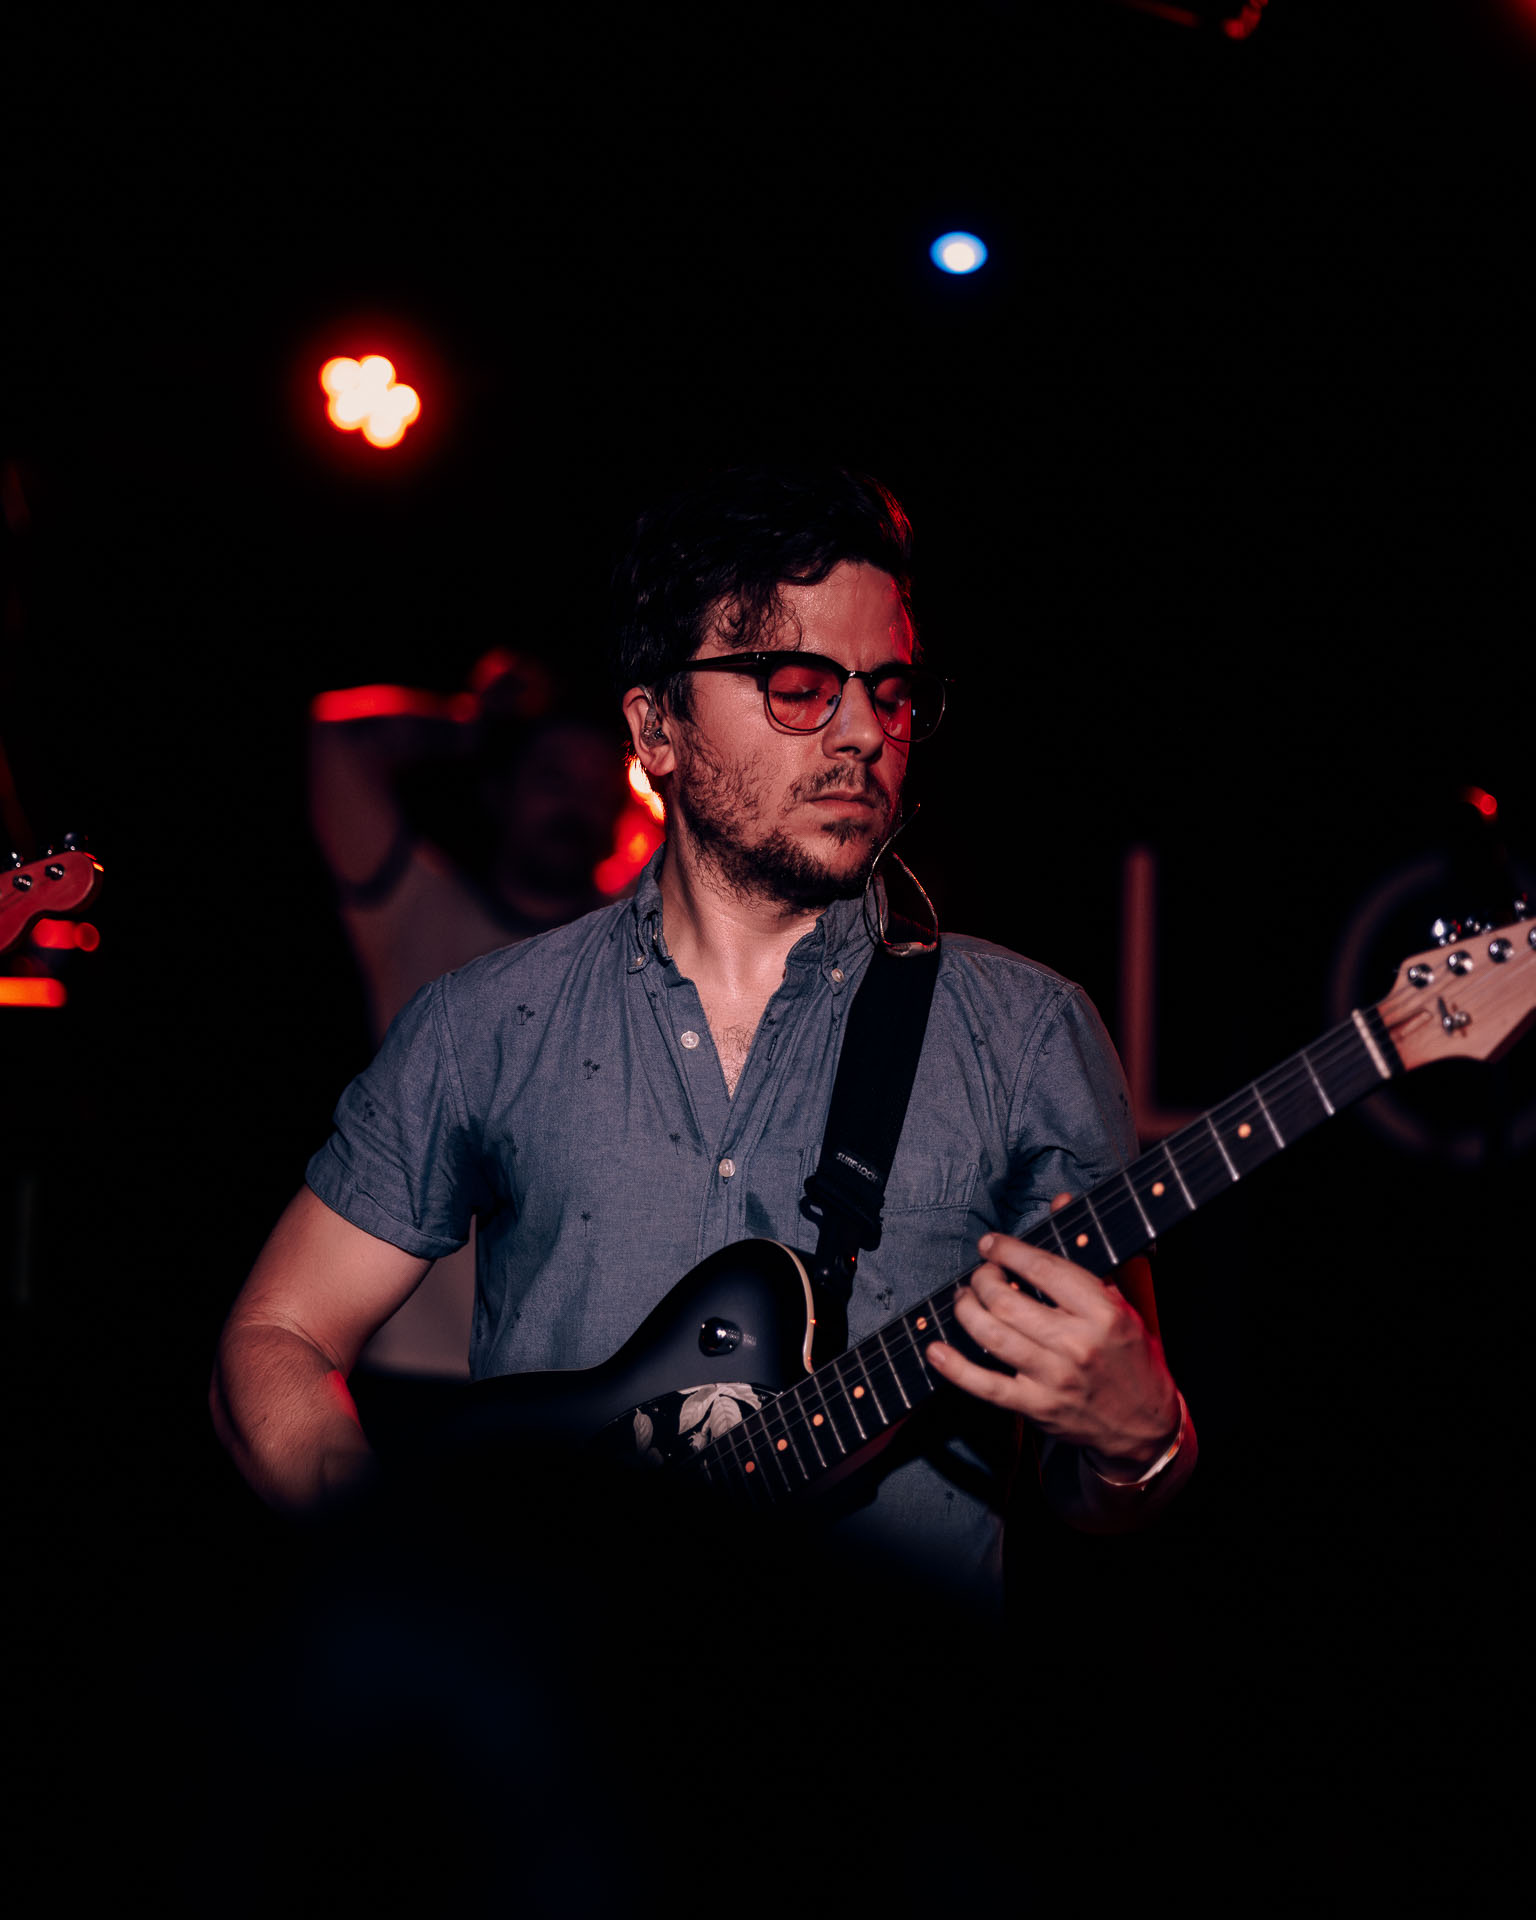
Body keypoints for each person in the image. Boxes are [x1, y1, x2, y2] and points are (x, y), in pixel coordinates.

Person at [210, 464, 1195, 1607]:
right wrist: (401, 1561)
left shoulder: (1028, 1037)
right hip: (559, 1754)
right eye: (797, 685)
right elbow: (274, 1334)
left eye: (891, 690)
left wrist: (1140, 1439)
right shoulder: (488, 1022)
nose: (864, 733)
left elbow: (1099, 1486)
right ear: (656, 725)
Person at [307, 657, 632, 1376]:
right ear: (499, 789)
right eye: (552, 778)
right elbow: (334, 737)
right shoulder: (416, 910)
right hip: (413, 1363)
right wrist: (471, 726)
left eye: (595, 785)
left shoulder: (645, 944)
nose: (574, 804)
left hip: (574, 1382)